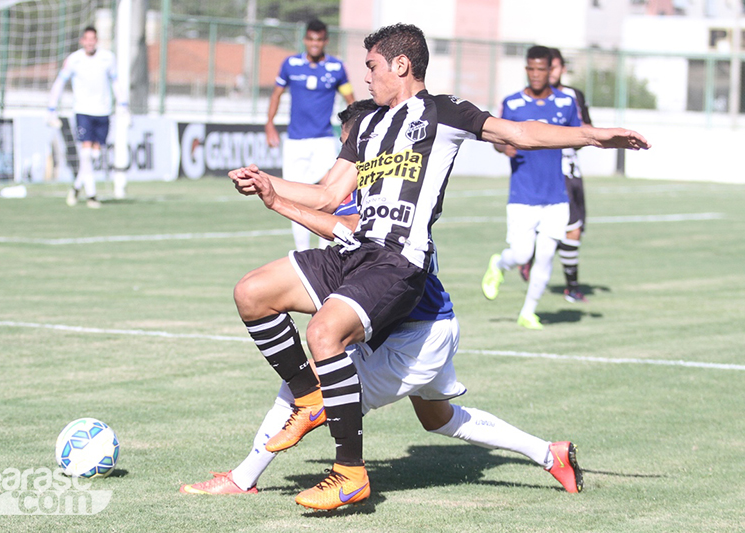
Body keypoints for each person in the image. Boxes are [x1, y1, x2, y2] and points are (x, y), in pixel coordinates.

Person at [229, 24, 647, 511]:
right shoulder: (366, 126)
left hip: (398, 268)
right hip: (363, 263)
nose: (366, 77)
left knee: (325, 337)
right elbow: (327, 195)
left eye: (372, 66)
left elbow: (518, 133)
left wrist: (594, 136)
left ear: (401, 65)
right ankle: (309, 400)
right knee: (253, 293)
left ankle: (336, 472)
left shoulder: (443, 112)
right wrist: (268, 186)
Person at [181, 100, 582, 500]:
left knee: (308, 393)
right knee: (440, 420)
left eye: (351, 148)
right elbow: (330, 206)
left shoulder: (376, 196)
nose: (348, 159)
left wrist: (280, 202)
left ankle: (243, 478)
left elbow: (346, 226)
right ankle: (550, 454)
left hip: (412, 335)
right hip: (426, 321)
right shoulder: (377, 186)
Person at [481, 46, 582, 330]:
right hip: (523, 196)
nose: (536, 74)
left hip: (556, 196)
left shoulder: (566, 103)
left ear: (551, 71)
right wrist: (503, 148)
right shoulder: (512, 104)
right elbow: (495, 138)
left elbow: (578, 134)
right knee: (523, 255)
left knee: (547, 255)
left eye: (542, 69)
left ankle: (528, 312)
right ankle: (499, 265)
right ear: (526, 69)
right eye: (531, 69)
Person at [265, 18, 355, 251]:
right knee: (295, 196)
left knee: (330, 193)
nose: (315, 44)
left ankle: (326, 250)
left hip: (324, 140)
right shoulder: (290, 64)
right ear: (305, 40)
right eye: (311, 39)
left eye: (319, 39)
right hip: (295, 141)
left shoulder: (336, 68)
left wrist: (356, 131)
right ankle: (302, 251)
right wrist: (269, 123)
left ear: (325, 40)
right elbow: (276, 95)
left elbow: (350, 100)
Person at [48, 26, 127, 209]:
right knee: (85, 152)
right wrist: (51, 109)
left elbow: (115, 82)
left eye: (93, 39)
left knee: (94, 155)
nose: (90, 42)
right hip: (83, 111)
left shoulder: (108, 58)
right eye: (87, 39)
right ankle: (91, 195)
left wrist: (123, 105)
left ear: (96, 41)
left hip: (103, 112)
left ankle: (76, 188)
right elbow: (59, 83)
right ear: (82, 41)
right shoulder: (74, 60)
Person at [550, 48, 592, 303]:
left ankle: (532, 257)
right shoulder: (530, 99)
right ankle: (572, 287)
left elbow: (586, 128)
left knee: (575, 229)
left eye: (553, 67)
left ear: (562, 69)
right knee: (570, 230)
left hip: (572, 170)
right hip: (551, 173)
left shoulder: (573, 96)